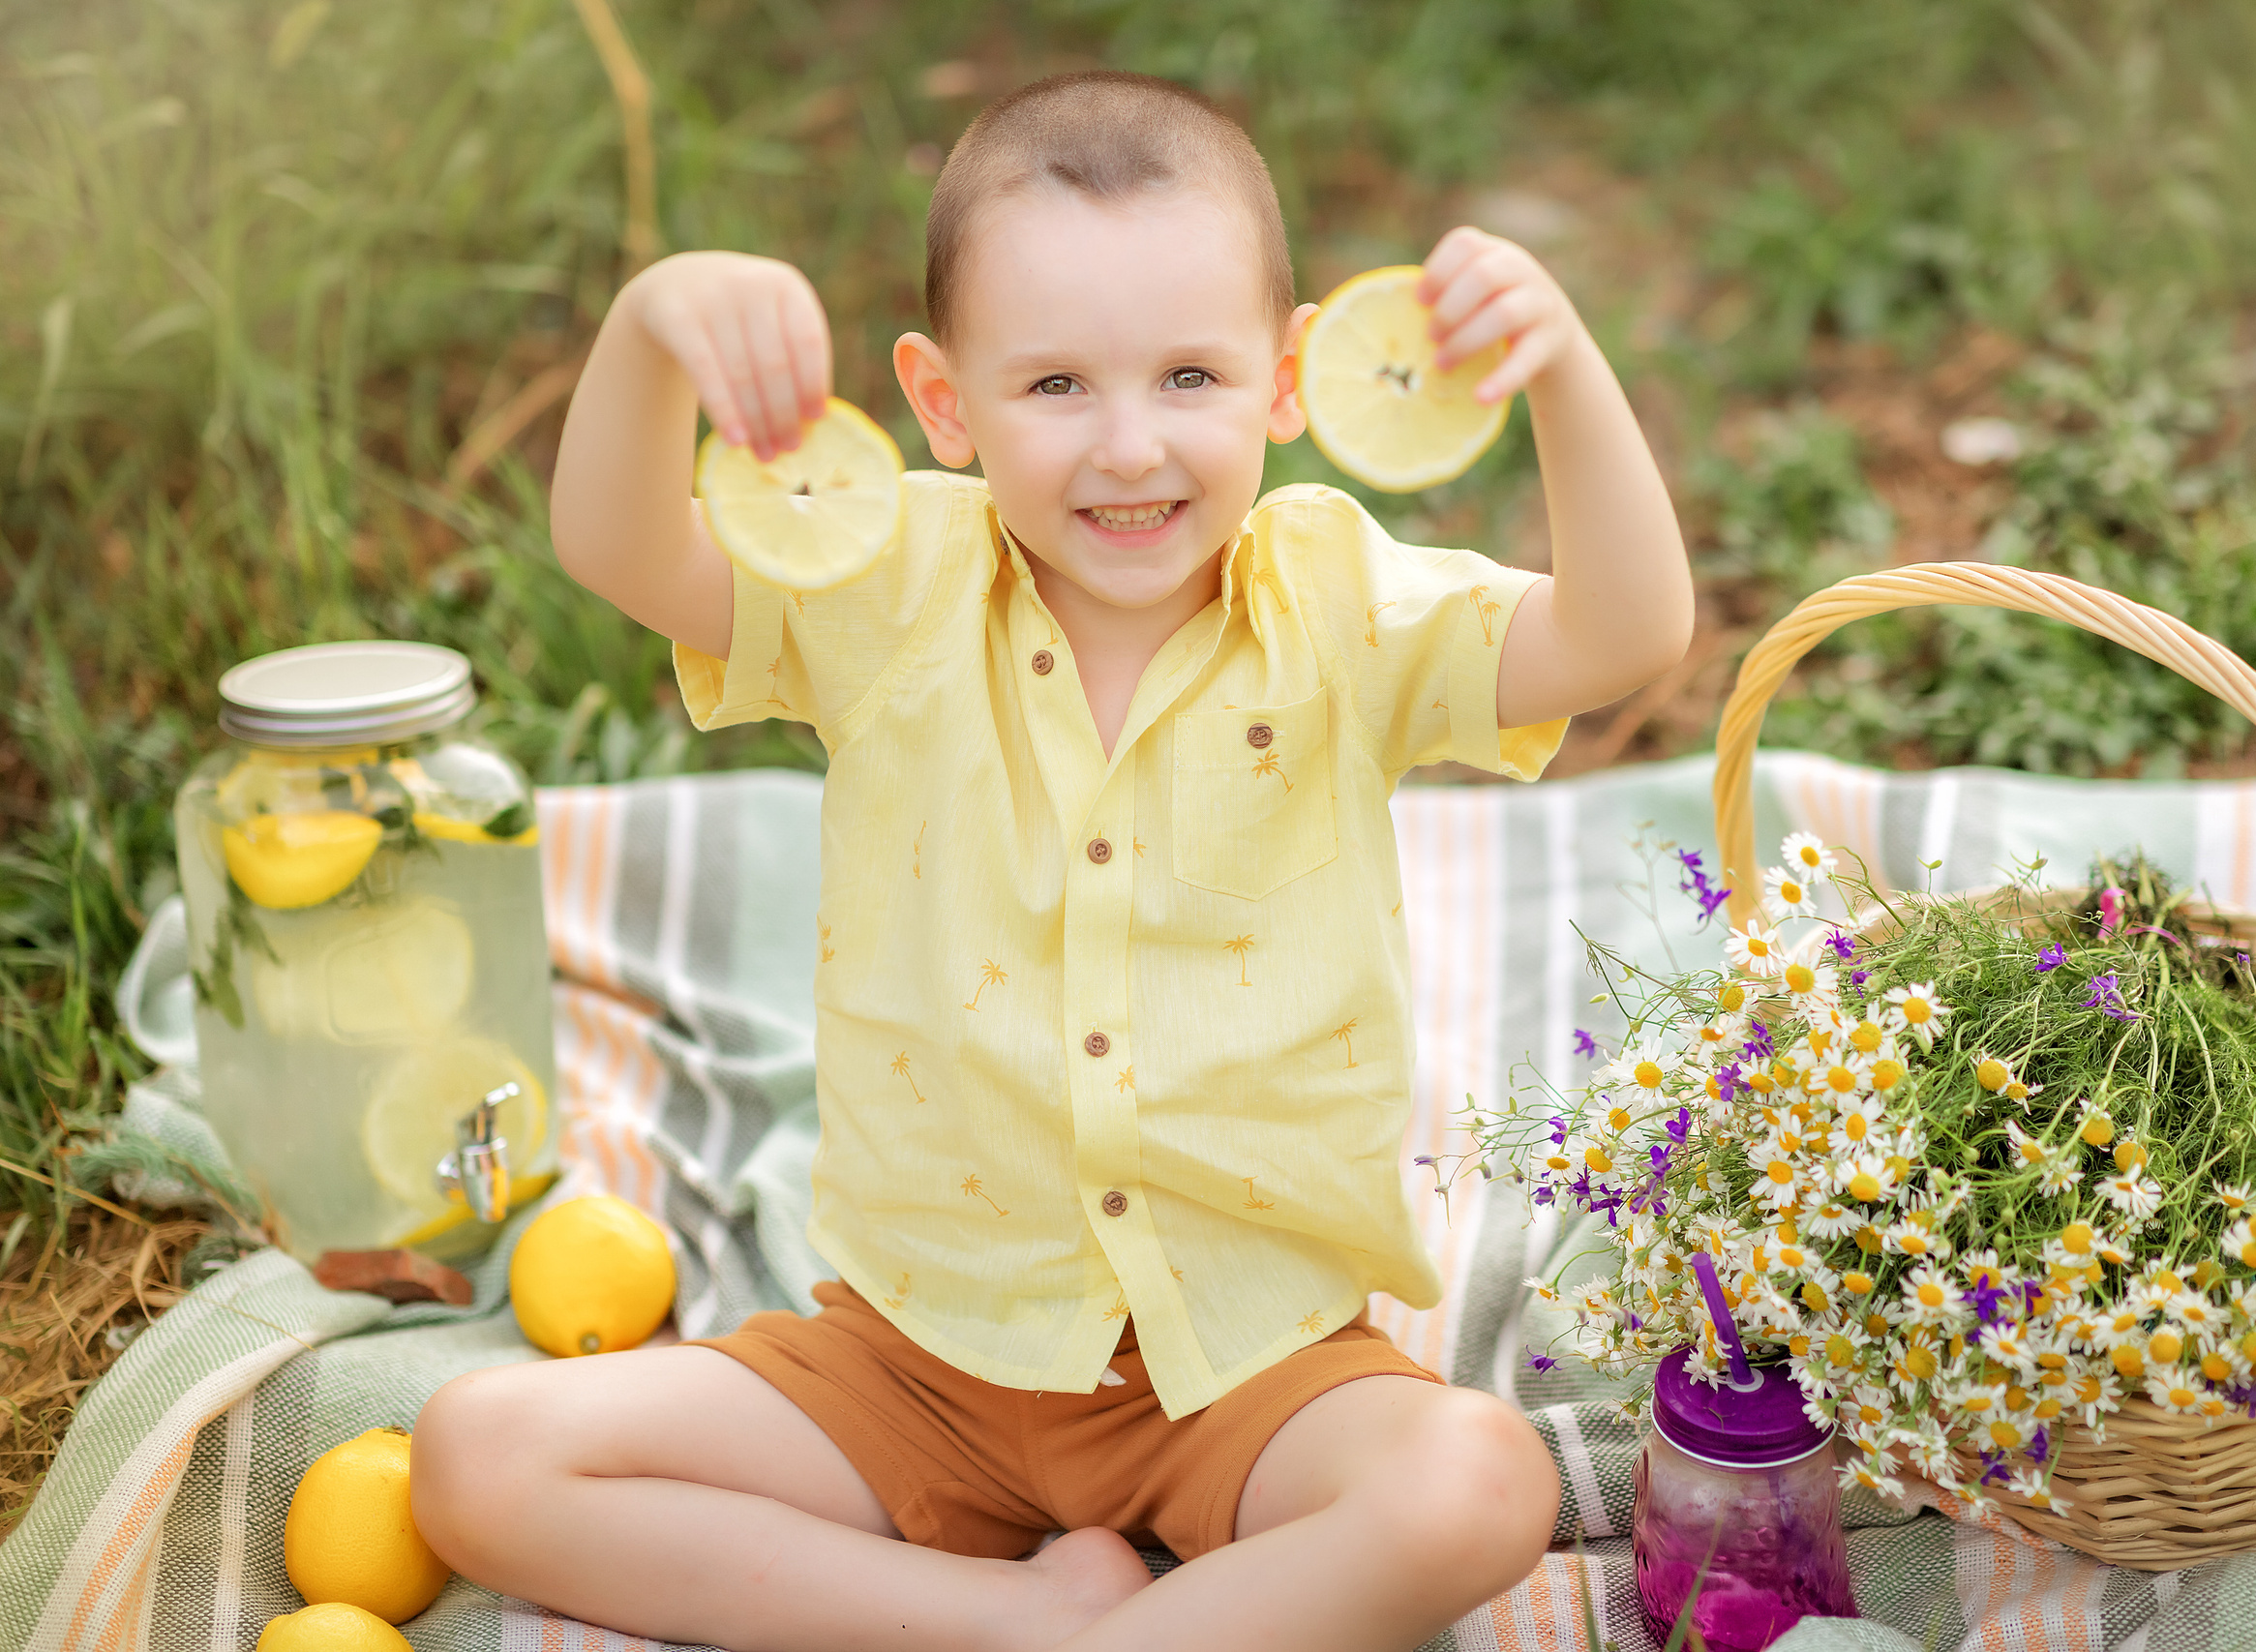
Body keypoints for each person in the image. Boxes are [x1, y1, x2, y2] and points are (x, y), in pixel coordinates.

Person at [411, 69, 1692, 1652]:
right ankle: (1012, 1624)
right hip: (918, 1361)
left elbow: (1625, 632)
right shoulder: (881, 581)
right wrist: (656, 323)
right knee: (482, 1459)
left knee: (1477, 1484)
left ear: (1288, 378)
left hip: (1246, 1367)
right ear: (945, 404)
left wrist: (1559, 368)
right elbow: (619, 544)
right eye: (1057, 387)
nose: (1131, 446)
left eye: (1192, 374)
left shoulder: (1343, 606)